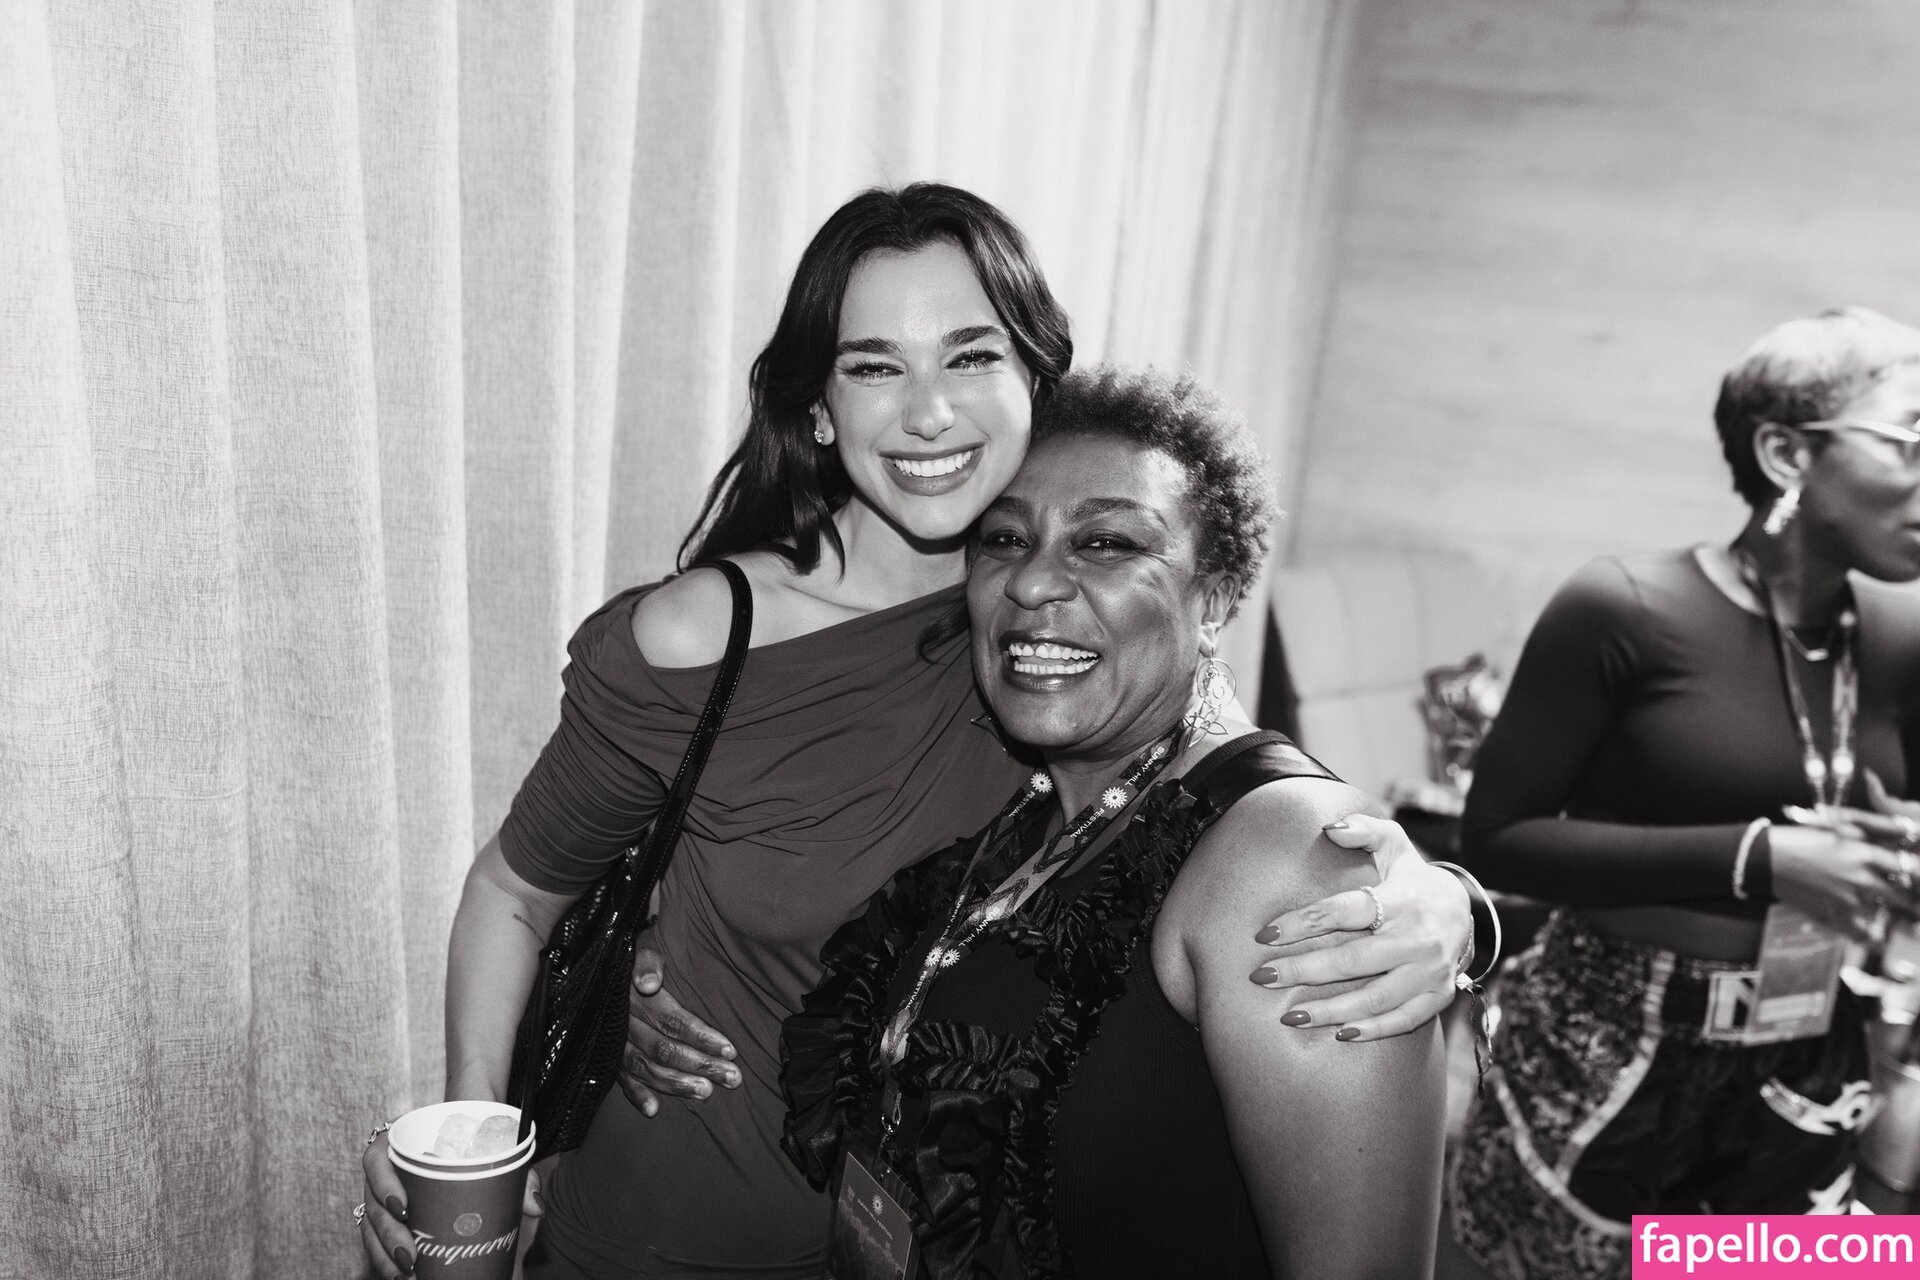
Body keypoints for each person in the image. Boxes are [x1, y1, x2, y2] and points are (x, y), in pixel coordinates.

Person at [356, 184, 1471, 1280]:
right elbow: (518, 891)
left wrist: (1448, 904)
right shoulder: (712, 636)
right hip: (670, 1238)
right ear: (819, 407)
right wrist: (480, 1142)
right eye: (875, 365)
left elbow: (1206, 795)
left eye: (970, 356)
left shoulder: (1050, 637)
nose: (928, 411)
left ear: (1034, 379)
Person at [781, 365, 1449, 1279]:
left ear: (1215, 597)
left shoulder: (1286, 858)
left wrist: (1458, 905)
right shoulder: (1033, 794)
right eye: (1004, 538)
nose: (1033, 582)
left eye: (1106, 543)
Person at [1449, 306, 1920, 1279]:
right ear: (1787, 453)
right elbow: (1496, 836)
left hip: (1808, 1057)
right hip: (1612, 1046)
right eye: (1911, 441)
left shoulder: (1900, 637)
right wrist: (1760, 857)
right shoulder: (1624, 606)